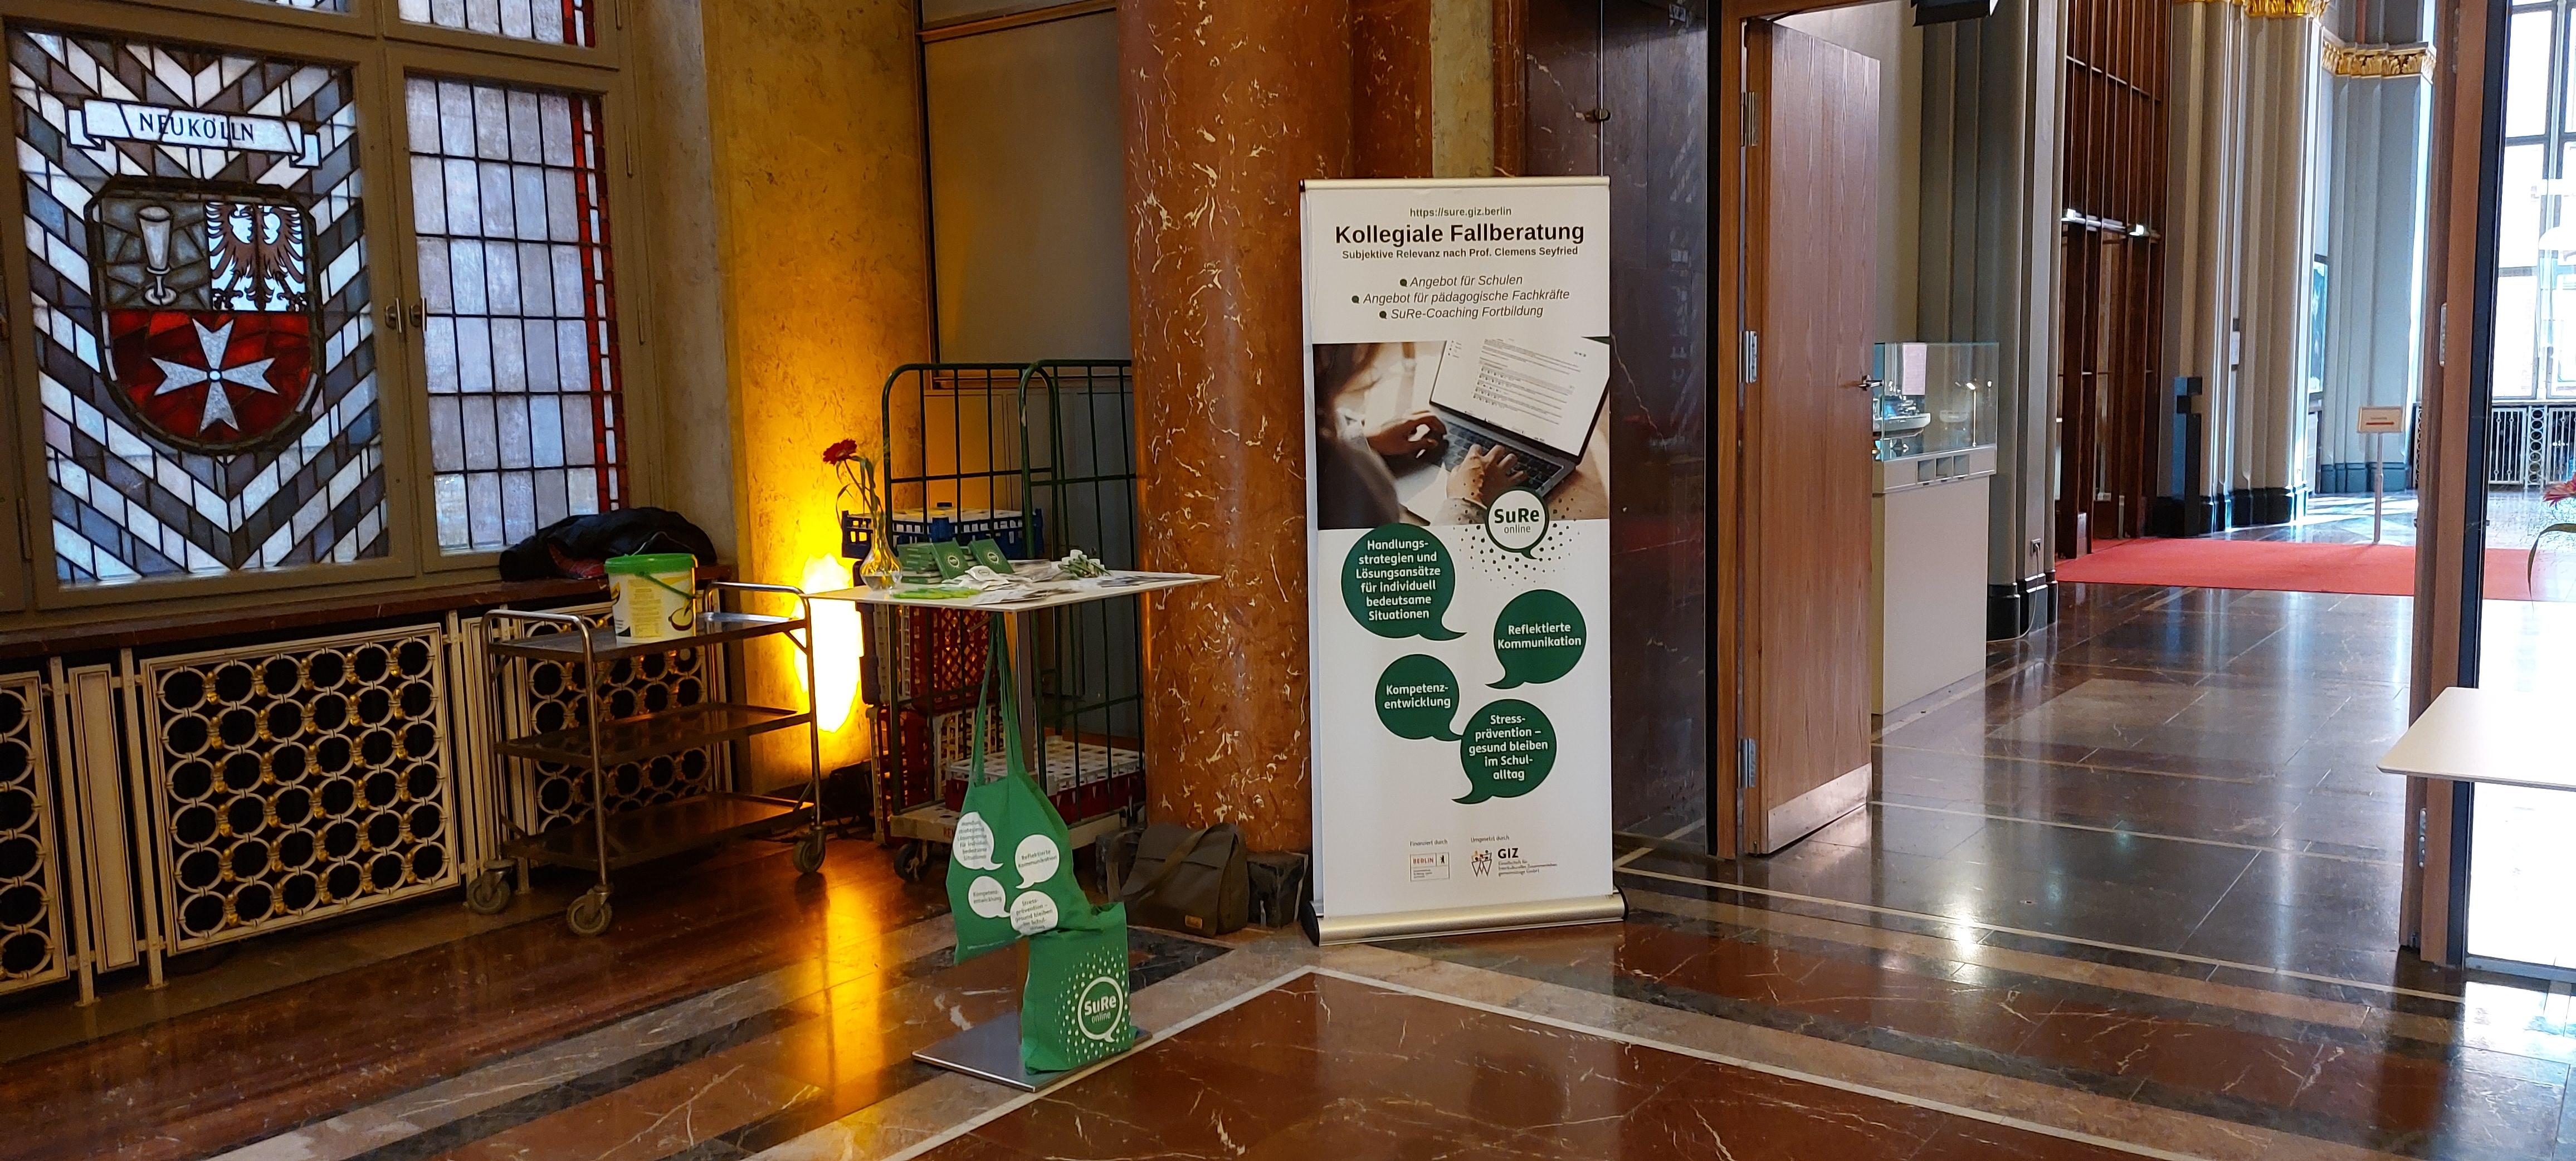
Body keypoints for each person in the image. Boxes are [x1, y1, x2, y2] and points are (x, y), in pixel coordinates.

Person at [1313, 344, 1520, 529]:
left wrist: (1364, 442)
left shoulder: (1312, 428)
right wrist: (1469, 502)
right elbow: (1418, 558)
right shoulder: (1350, 483)